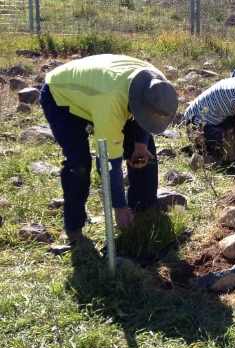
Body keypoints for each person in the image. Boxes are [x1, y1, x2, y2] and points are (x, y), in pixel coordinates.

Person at [40, 54, 178, 244]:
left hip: (100, 88)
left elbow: (145, 119)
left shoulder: (158, 85)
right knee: (79, 163)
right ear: (136, 104)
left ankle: (142, 209)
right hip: (61, 95)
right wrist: (118, 206)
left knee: (146, 150)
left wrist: (140, 144)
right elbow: (107, 162)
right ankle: (74, 229)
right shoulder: (111, 103)